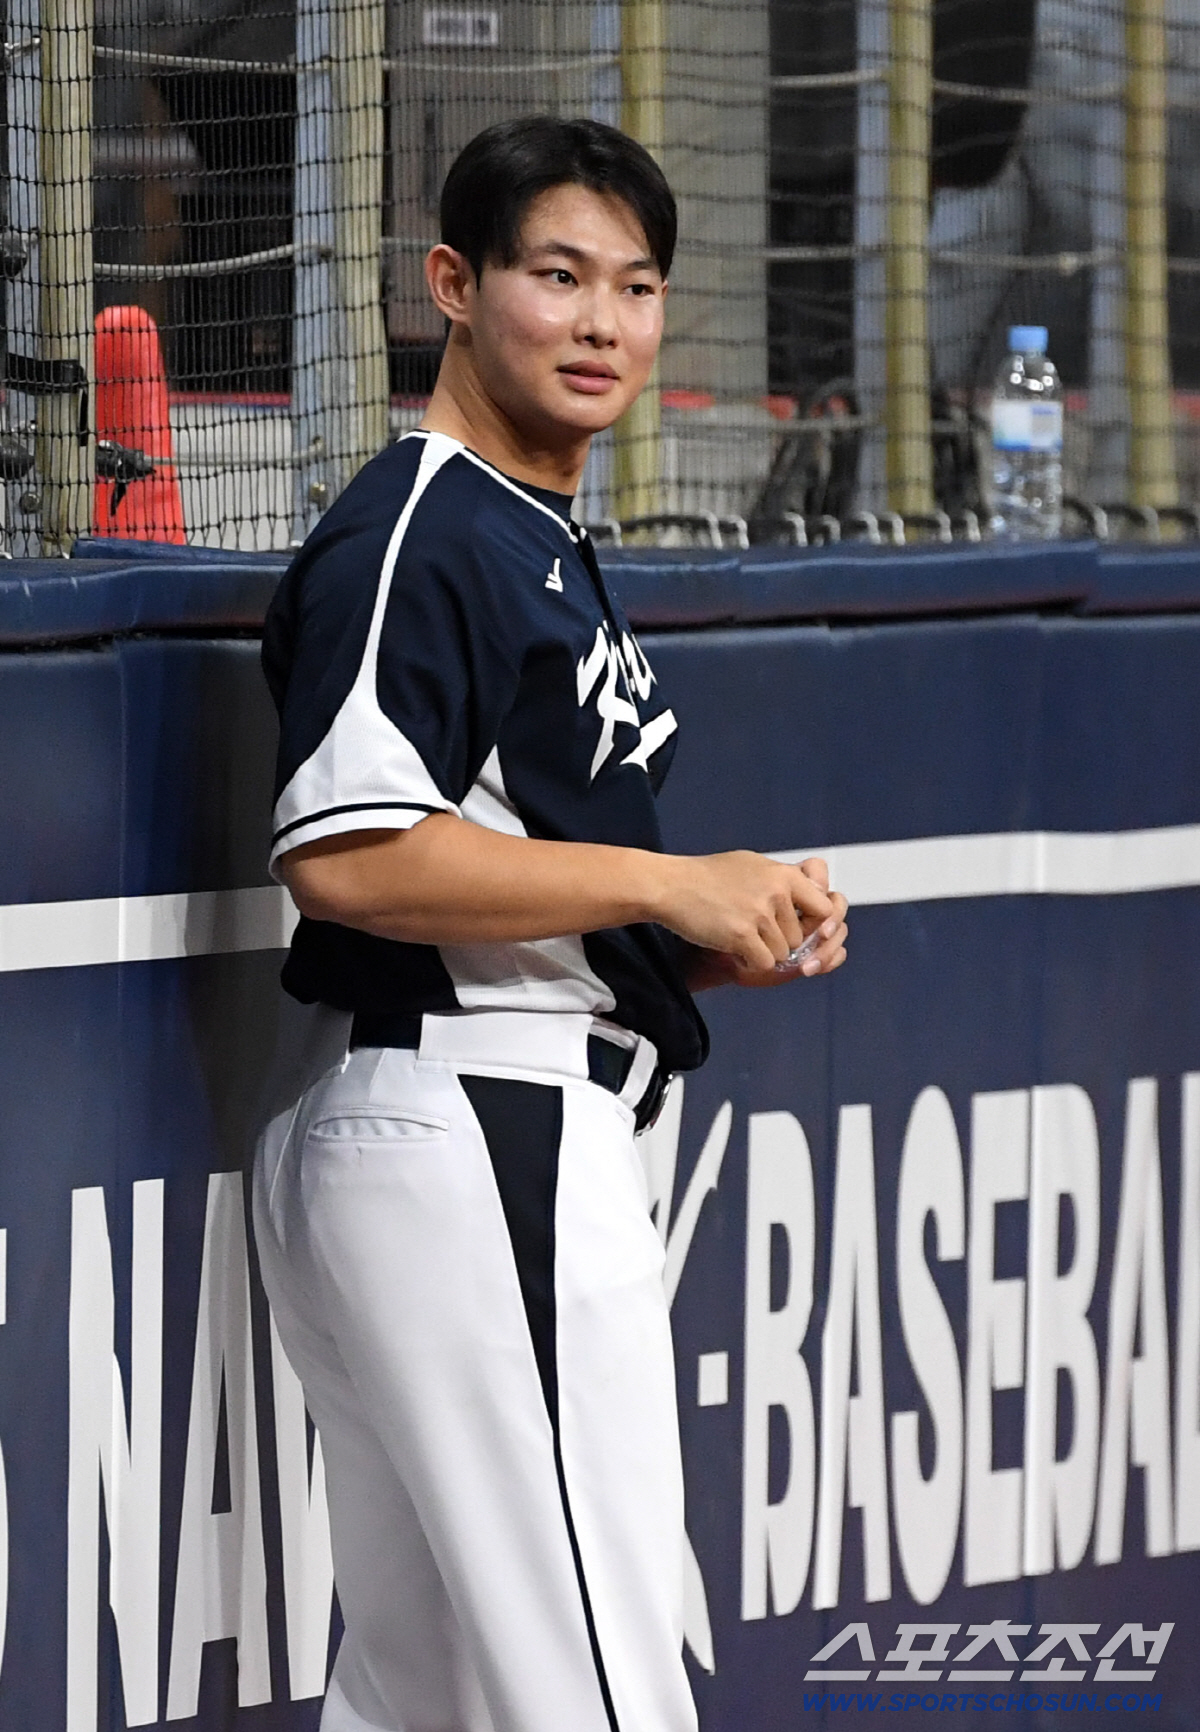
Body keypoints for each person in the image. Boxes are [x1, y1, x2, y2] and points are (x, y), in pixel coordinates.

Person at [254, 114, 848, 1732]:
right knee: (597, 1694)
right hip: (476, 1125)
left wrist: (697, 943)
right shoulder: (424, 524)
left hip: (468, 1106)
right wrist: (664, 883)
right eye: (558, 276)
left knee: (432, 1695)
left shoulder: (530, 530)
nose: (602, 324)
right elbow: (351, 853)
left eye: (636, 287)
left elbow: (494, 854)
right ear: (453, 285)